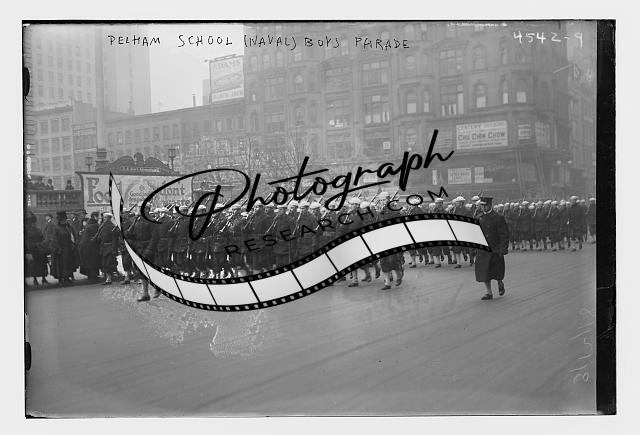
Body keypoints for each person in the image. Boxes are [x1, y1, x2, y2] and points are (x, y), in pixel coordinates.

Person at [474, 197, 509, 301]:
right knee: (484, 272)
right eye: (482, 205)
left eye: (485, 205)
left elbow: (504, 234)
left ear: (490, 205)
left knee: (497, 270)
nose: (483, 207)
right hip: (483, 249)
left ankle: (500, 282)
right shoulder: (478, 217)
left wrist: (503, 248)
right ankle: (489, 292)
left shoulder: (498, 217)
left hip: (495, 248)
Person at [48, 211, 78, 286]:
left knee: (68, 264)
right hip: (60, 250)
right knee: (60, 265)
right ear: (60, 220)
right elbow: (54, 239)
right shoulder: (56, 228)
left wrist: (73, 244)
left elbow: (73, 236)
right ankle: (61, 279)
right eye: (63, 220)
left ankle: (67, 278)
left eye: (65, 220)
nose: (65, 221)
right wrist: (58, 248)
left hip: (68, 248)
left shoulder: (68, 227)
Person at [93, 212, 120, 285]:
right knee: (104, 263)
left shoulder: (112, 226)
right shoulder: (102, 226)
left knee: (108, 263)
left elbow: (114, 239)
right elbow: (100, 236)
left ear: (109, 218)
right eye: (104, 217)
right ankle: (108, 278)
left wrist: (113, 249)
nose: (104, 219)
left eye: (105, 217)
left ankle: (109, 279)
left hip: (110, 247)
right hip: (103, 247)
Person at [24, 212, 48, 286]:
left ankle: (43, 278)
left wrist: (43, 244)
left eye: (33, 223)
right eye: (30, 223)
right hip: (32, 249)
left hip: (40, 249)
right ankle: (35, 279)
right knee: (34, 265)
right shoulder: (26, 231)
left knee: (43, 263)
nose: (32, 224)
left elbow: (42, 238)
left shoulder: (38, 230)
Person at [78, 211, 101, 281]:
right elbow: (96, 236)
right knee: (93, 261)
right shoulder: (94, 225)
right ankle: (93, 276)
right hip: (90, 246)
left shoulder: (89, 223)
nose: (99, 218)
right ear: (95, 217)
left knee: (88, 261)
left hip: (85, 245)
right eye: (98, 216)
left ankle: (90, 275)